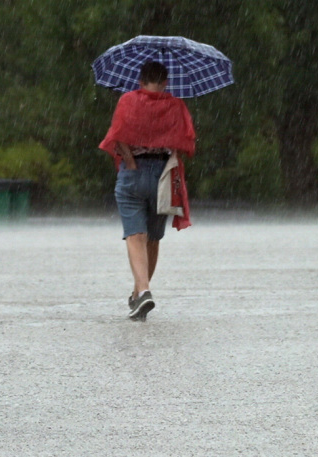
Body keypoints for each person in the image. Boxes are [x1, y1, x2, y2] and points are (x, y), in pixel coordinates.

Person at [98, 61, 196, 321]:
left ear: (140, 81)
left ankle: (142, 291)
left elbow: (117, 135)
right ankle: (140, 294)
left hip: (133, 174)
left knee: (135, 236)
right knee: (152, 238)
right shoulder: (176, 105)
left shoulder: (128, 101)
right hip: (163, 177)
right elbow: (184, 142)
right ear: (165, 82)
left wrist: (130, 161)